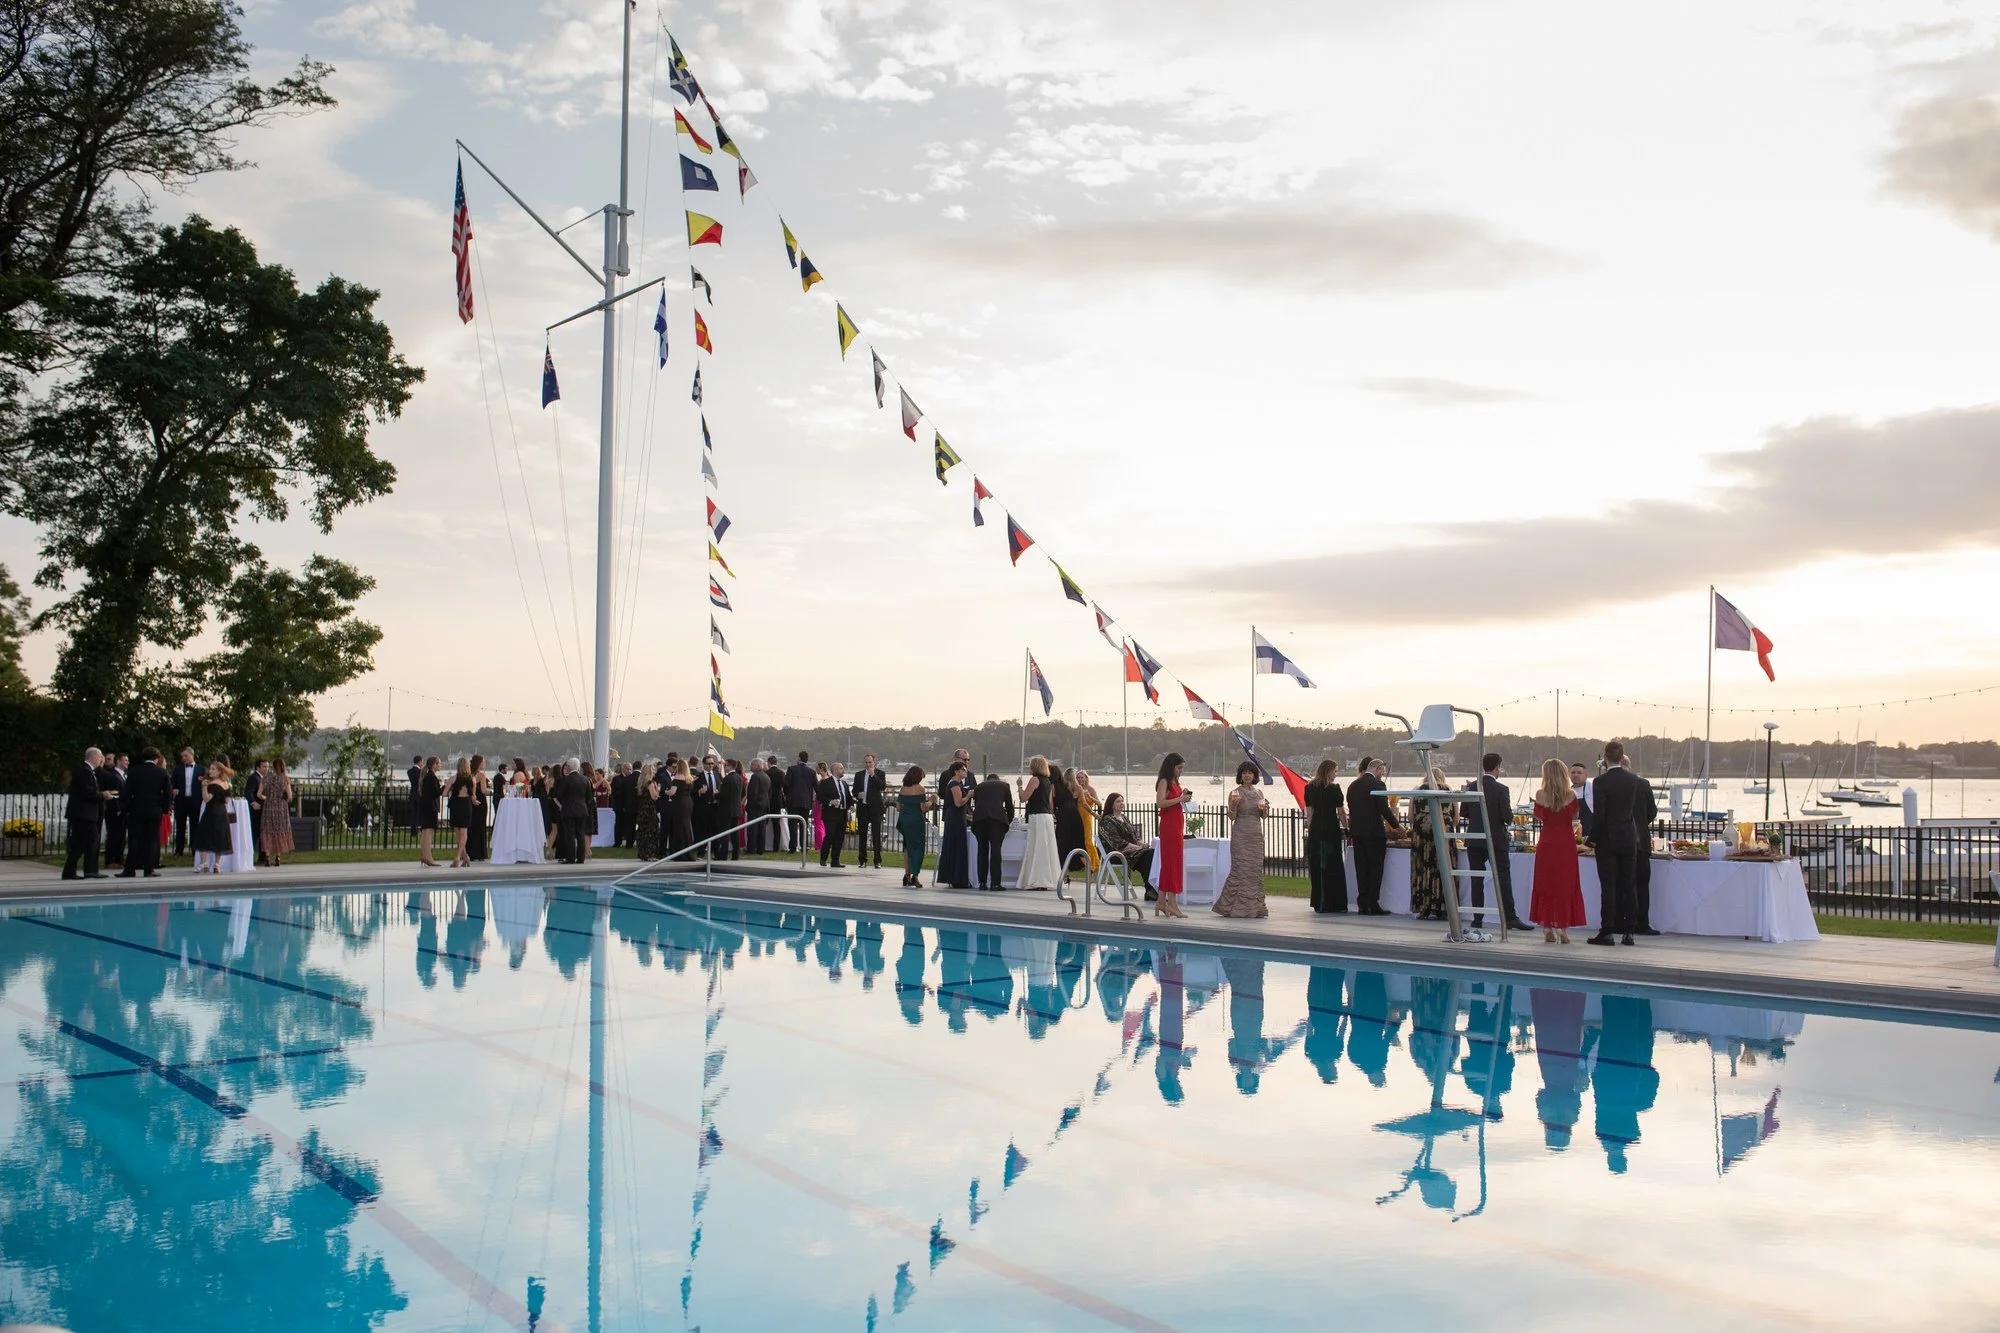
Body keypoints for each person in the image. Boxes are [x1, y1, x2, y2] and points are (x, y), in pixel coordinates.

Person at [1465, 752, 1529, 932]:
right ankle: (1510, 917)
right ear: (1497, 767)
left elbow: (1464, 812)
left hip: (1474, 839)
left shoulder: (1471, 787)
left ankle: (1477, 919)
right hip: (1496, 839)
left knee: (1476, 879)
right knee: (1503, 877)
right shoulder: (1501, 789)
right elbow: (1507, 817)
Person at [1588, 742, 1644, 946]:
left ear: (1605, 757)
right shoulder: (1633, 780)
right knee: (1629, 885)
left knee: (1608, 886)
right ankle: (1629, 932)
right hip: (1629, 837)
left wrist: (1592, 837)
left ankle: (1608, 930)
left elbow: (1600, 815)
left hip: (1608, 840)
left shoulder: (1600, 782)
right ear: (1622, 758)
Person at [1528, 758, 1587, 943]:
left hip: (1547, 842)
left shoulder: (1539, 794)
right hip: (1566, 843)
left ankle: (1547, 928)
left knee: (1545, 883)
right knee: (1565, 884)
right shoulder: (1571, 795)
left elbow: (1539, 817)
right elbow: (1575, 817)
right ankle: (1563, 928)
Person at [1212, 760, 1269, 918]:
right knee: (1240, 869)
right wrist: (1234, 806)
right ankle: (1231, 907)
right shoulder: (1235, 793)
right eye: (1244, 773)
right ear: (1240, 775)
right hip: (1241, 833)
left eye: (1250, 772)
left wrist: (1265, 809)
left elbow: (1264, 816)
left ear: (1254, 775)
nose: (1247, 775)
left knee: (1254, 871)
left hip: (1256, 835)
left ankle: (1255, 908)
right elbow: (1231, 817)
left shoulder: (1259, 793)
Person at [1346, 757, 1398, 915]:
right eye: (1382, 770)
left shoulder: (1353, 785)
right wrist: (1397, 826)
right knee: (1375, 868)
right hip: (1374, 833)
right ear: (1377, 768)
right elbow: (1383, 808)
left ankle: (1362, 902)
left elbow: (1351, 808)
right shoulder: (1378, 784)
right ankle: (1372, 902)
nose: (1382, 774)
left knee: (1361, 868)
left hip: (1357, 832)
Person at [1303, 759, 1349, 913]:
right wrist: (1347, 826)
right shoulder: (1334, 789)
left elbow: (1309, 813)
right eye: (1335, 771)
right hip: (1330, 828)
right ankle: (1333, 902)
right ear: (1329, 771)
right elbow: (1341, 811)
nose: (1336, 774)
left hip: (1316, 829)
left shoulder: (1309, 787)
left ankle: (1319, 902)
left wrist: (1311, 828)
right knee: (1332, 864)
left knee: (1317, 865)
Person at [1623, 754, 1660, 935]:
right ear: (1629, 766)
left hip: (1617, 842)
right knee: (1641, 886)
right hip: (1641, 841)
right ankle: (1641, 923)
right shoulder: (1643, 784)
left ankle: (1618, 921)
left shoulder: (1604, 782)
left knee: (1619, 885)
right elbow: (1652, 812)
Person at [119, 747, 170, 878]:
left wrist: (127, 809)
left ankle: (130, 869)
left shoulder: (134, 771)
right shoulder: (162, 773)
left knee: (134, 839)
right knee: (151, 840)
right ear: (156, 758)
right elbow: (167, 794)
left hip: (137, 809)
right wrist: (164, 809)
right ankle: (149, 869)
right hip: (154, 810)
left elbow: (127, 792)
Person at [1408, 766, 1450, 921]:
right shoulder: (1448, 790)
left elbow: (1411, 816)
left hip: (1422, 834)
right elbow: (1457, 817)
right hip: (1443, 832)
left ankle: (1423, 908)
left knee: (1422, 868)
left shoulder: (1418, 791)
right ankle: (1443, 907)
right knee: (1442, 868)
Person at [1153, 753, 1191, 918]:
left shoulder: (1175, 782)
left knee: (1170, 864)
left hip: (1176, 824)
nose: (1181, 771)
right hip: (1169, 826)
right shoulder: (1164, 781)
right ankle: (1172, 904)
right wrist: (1179, 798)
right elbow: (1160, 803)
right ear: (1171, 767)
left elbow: (1173, 800)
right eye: (1179, 768)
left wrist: (1181, 797)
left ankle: (1162, 901)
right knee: (1173, 864)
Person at [1017, 756, 1062, 891]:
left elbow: (1023, 798)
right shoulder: (1048, 781)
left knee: (1036, 847)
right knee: (1046, 848)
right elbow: (1050, 803)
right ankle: (1047, 878)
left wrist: (1019, 786)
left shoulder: (1034, 779)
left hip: (1037, 816)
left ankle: (1037, 879)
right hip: (1047, 816)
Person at [61, 746, 106, 880]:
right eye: (99, 756)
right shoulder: (84, 771)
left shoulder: (88, 771)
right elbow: (88, 792)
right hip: (83, 814)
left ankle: (72, 870)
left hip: (84, 814)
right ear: (92, 757)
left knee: (80, 843)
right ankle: (89, 870)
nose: (101, 759)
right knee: (91, 839)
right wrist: (102, 794)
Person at [1096, 792, 1154, 887]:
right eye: (1118, 801)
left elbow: (1135, 838)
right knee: (1147, 855)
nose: (1122, 803)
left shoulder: (1124, 818)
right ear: (1111, 805)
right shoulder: (1107, 821)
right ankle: (1150, 889)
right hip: (1115, 854)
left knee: (1150, 853)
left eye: (1122, 801)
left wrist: (1142, 844)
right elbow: (1119, 844)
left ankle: (1151, 889)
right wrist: (1138, 848)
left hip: (1131, 852)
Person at [970, 771, 1015, 890]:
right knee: (995, 851)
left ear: (987, 779)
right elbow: (1010, 807)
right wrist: (1007, 822)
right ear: (998, 779)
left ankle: (982, 883)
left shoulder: (978, 787)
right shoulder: (1004, 786)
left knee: (982, 851)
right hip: (997, 820)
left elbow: (975, 804)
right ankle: (995, 883)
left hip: (979, 820)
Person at [191, 760, 233, 874]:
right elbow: (227, 800)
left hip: (211, 811)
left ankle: (204, 863)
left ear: (219, 771)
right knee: (220, 837)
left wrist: (204, 787)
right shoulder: (225, 783)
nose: (210, 771)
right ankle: (217, 864)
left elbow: (206, 798)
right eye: (210, 769)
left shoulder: (213, 784)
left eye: (213, 769)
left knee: (203, 836)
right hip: (222, 812)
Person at [895, 765, 935, 887]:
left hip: (905, 820)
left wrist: (907, 807)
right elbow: (923, 808)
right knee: (918, 848)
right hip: (916, 821)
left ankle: (906, 876)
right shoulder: (920, 789)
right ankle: (915, 876)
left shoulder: (903, 789)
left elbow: (898, 807)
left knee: (907, 847)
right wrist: (931, 801)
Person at [936, 761, 973, 888]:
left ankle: (956, 877)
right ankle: (956, 878)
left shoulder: (955, 784)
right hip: (955, 820)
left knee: (957, 846)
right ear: (956, 771)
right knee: (956, 846)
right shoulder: (954, 784)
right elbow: (958, 803)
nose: (965, 771)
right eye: (963, 769)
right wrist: (968, 796)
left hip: (957, 817)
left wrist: (968, 816)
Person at [852, 754, 889, 869]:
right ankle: (862, 860)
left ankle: (877, 860)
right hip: (863, 807)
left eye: (870, 762)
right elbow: (854, 790)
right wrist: (858, 794)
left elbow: (882, 787)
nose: (868, 765)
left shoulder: (880, 773)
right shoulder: (859, 775)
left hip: (875, 809)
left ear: (874, 762)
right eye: (866, 763)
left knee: (876, 835)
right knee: (862, 835)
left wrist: (873, 775)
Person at [557, 760, 595, 864]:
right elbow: (589, 797)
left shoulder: (567, 780)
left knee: (570, 834)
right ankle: (581, 858)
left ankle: (571, 858)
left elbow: (559, 794)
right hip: (582, 809)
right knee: (580, 834)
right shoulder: (586, 780)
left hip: (569, 809)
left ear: (569, 767)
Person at [260, 756, 295, 868]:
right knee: (280, 831)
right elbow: (289, 796)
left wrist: (268, 798)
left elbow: (258, 794)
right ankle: (278, 857)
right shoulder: (285, 778)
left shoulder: (266, 777)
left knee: (268, 831)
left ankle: (267, 857)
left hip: (268, 806)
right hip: (281, 807)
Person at [817, 761, 851, 867]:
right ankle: (823, 858)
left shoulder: (844, 784)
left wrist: (851, 805)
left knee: (839, 838)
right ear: (835, 770)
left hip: (842, 814)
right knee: (830, 835)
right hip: (830, 814)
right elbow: (820, 797)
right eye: (841, 768)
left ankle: (835, 860)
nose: (843, 770)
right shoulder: (826, 783)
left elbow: (848, 797)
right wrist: (831, 801)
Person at [1052, 765, 1083, 871]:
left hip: (1063, 813)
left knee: (1062, 840)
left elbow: (1052, 803)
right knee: (1076, 840)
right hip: (1074, 813)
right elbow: (1078, 799)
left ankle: (1061, 865)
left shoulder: (1057, 786)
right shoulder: (1071, 786)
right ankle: (1079, 863)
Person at [170, 747, 201, 855]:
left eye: (185, 756)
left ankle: (194, 849)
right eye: (182, 756)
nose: (183, 758)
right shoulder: (177, 769)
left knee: (195, 826)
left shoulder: (201, 769)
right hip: (181, 800)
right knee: (180, 826)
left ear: (192, 755)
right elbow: (172, 783)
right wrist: (174, 790)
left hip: (195, 801)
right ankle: (179, 850)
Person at [446, 757, 476, 868]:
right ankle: (465, 857)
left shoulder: (453, 779)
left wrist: (451, 792)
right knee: (463, 832)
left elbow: (444, 793)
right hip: (466, 805)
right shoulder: (472, 780)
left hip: (455, 805)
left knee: (458, 833)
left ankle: (457, 857)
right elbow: (473, 796)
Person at [99, 752, 127, 869]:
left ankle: (119, 859)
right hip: (115, 811)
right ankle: (111, 860)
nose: (127, 762)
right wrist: (118, 809)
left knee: (121, 836)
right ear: (119, 761)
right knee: (114, 835)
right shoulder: (113, 776)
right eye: (125, 760)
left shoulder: (123, 775)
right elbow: (114, 795)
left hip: (122, 810)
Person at [415, 756, 444, 867]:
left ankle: (425, 855)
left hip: (425, 806)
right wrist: (445, 787)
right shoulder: (431, 777)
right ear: (434, 765)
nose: (440, 765)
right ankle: (428, 857)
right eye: (439, 763)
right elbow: (436, 792)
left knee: (425, 832)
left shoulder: (428, 777)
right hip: (430, 807)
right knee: (428, 832)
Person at [785, 752, 817, 853]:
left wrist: (787, 794)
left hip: (793, 801)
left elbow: (786, 784)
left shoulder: (791, 769)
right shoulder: (812, 772)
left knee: (793, 825)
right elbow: (816, 786)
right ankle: (804, 846)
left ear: (799, 758)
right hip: (806, 802)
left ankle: (793, 847)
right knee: (804, 825)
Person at [664, 759, 696, 856]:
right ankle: (688, 850)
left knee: (678, 826)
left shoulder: (677, 777)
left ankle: (679, 851)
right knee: (686, 825)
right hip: (688, 801)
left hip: (679, 803)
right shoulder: (689, 778)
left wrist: (665, 792)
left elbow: (672, 792)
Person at [1073, 770, 1102, 874]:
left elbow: (1099, 803)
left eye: (1082, 777)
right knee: (1080, 839)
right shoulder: (1075, 789)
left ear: (1086, 778)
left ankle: (1095, 864)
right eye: (1078, 778)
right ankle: (1086, 862)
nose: (1080, 779)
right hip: (1077, 815)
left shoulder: (1090, 789)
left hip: (1087, 815)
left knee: (1088, 839)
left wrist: (1090, 797)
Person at [693, 753, 722, 855]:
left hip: (715, 806)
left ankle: (716, 852)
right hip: (703, 807)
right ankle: (701, 851)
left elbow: (721, 788)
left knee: (716, 830)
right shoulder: (698, 777)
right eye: (709, 763)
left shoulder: (717, 775)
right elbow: (693, 793)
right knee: (702, 830)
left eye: (712, 763)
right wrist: (698, 792)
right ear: (704, 764)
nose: (711, 765)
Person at [717, 757, 745, 861]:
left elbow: (723, 795)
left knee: (724, 833)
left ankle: (723, 855)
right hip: (736, 809)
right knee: (735, 833)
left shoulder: (727, 779)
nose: (724, 767)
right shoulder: (739, 777)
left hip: (726, 809)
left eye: (725, 765)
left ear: (730, 766)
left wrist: (715, 794)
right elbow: (743, 793)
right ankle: (735, 855)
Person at [636, 763, 664, 860]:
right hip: (650, 810)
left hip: (642, 810)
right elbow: (654, 797)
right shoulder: (650, 783)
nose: (655, 771)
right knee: (651, 833)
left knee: (642, 832)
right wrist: (658, 790)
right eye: (653, 769)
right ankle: (650, 854)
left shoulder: (641, 782)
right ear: (650, 771)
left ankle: (643, 853)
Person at [245, 757, 270, 865]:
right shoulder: (254, 778)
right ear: (257, 767)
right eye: (264, 766)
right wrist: (253, 802)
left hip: (263, 809)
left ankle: (262, 857)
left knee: (262, 834)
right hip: (256, 811)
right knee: (255, 834)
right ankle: (251, 858)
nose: (266, 769)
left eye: (268, 766)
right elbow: (248, 791)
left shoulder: (263, 778)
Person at [745, 757, 772, 854]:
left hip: (755, 807)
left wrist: (749, 806)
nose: (750, 766)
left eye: (752, 765)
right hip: (764, 806)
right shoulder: (766, 777)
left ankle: (751, 849)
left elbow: (753, 793)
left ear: (758, 765)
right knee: (761, 829)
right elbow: (769, 793)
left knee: (752, 830)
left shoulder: (755, 777)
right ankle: (761, 849)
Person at [467, 754, 491, 862]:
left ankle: (470, 851)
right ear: (480, 763)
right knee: (480, 827)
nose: (484, 764)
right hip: (480, 802)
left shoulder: (469, 774)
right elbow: (483, 790)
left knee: (471, 827)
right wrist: (492, 791)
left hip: (471, 803)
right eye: (483, 762)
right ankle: (479, 853)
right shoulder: (481, 775)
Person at [1568, 762, 1595, 840]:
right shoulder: (1567, 792)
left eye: (1579, 772)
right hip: (1573, 834)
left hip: (1589, 834)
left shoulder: (1592, 788)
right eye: (1573, 772)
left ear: (1586, 775)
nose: (1576, 775)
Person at [406, 755, 425, 837]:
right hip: (419, 793)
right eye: (422, 761)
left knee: (413, 813)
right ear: (420, 761)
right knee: (421, 812)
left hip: (412, 793)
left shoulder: (409, 771)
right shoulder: (420, 772)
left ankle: (413, 831)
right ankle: (422, 829)